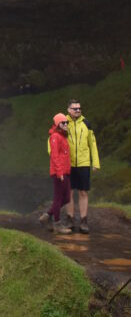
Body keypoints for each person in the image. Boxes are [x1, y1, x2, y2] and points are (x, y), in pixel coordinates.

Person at [62, 97, 100, 234]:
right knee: (69, 192)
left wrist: (95, 162)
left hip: (83, 163)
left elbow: (93, 143)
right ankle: (70, 219)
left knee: (83, 192)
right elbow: (53, 139)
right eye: (75, 108)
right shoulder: (63, 122)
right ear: (68, 110)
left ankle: (84, 220)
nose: (78, 110)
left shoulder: (86, 123)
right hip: (68, 163)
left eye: (79, 108)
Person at [39, 113, 72, 233]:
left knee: (67, 198)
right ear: (57, 124)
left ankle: (47, 216)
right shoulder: (55, 136)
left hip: (66, 171)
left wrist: (66, 170)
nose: (65, 124)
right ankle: (57, 224)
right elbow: (54, 156)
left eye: (66, 122)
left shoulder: (63, 136)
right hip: (59, 172)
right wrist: (59, 172)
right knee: (58, 198)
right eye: (63, 123)